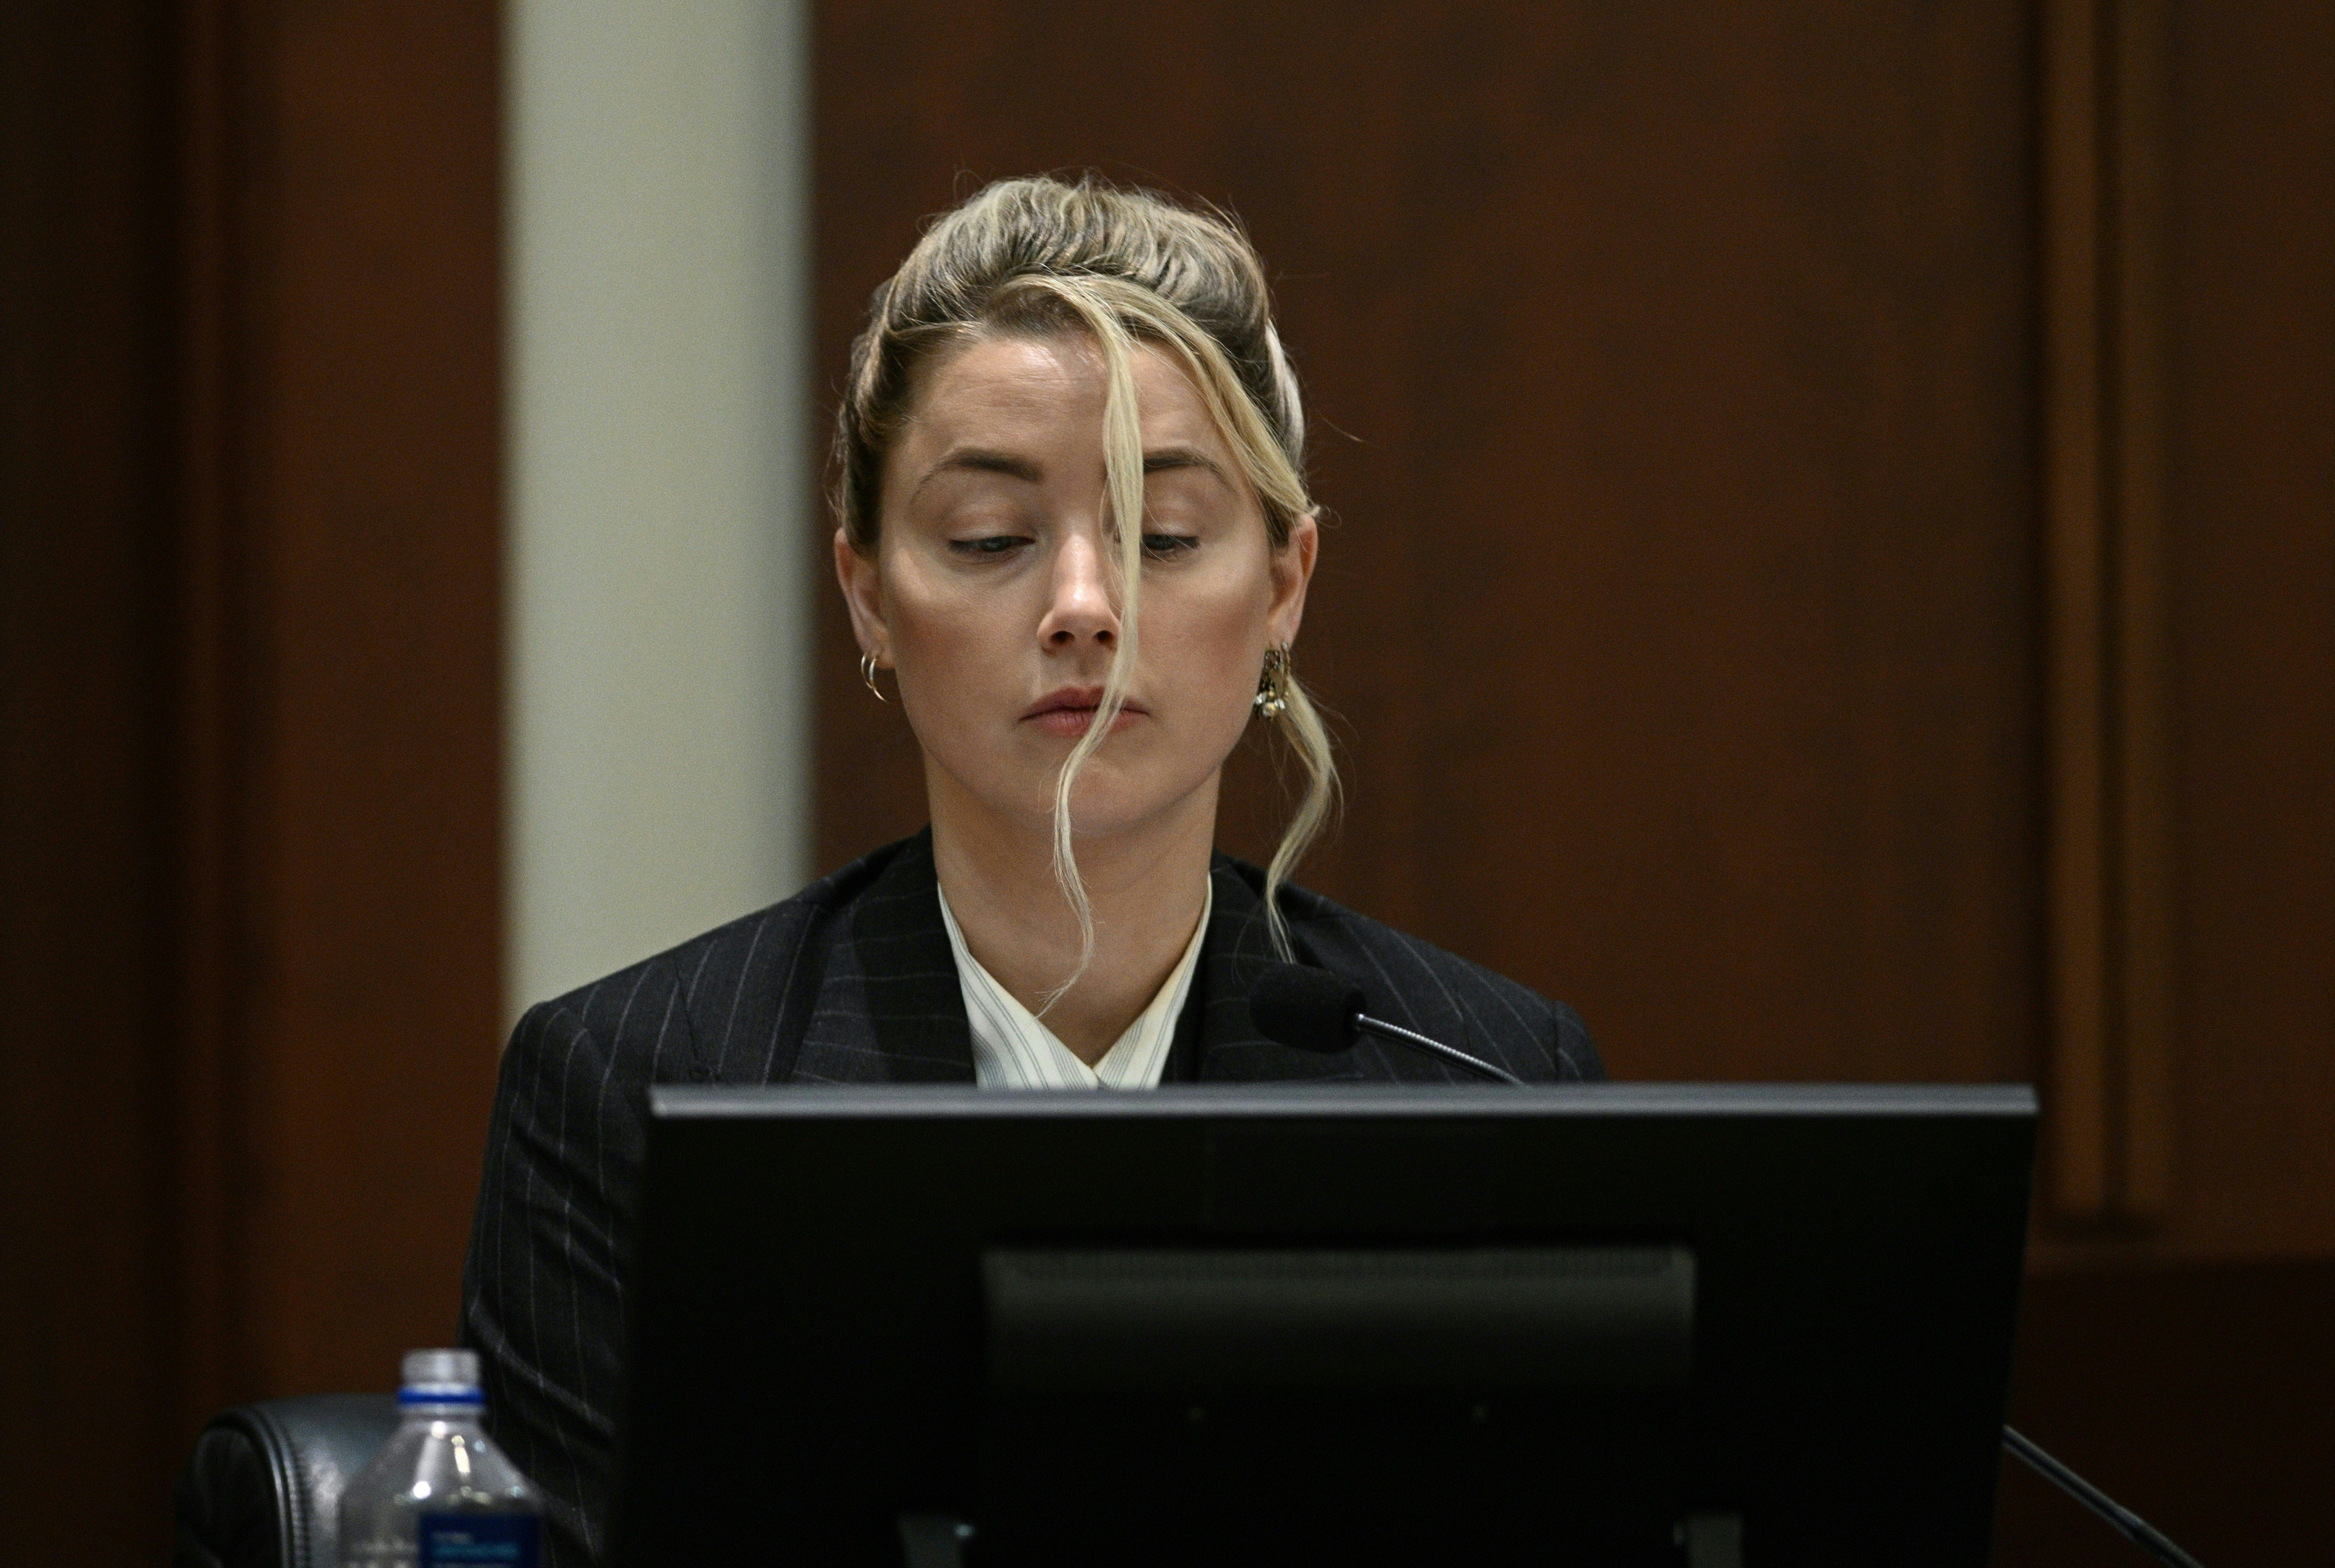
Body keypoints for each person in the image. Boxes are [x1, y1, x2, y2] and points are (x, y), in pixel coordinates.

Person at [458, 174, 1602, 1566]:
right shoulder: (631, 1088)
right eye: (991, 539)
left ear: (1287, 585)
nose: (1081, 606)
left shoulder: (1487, 1080)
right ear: (870, 595)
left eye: (1164, 535)